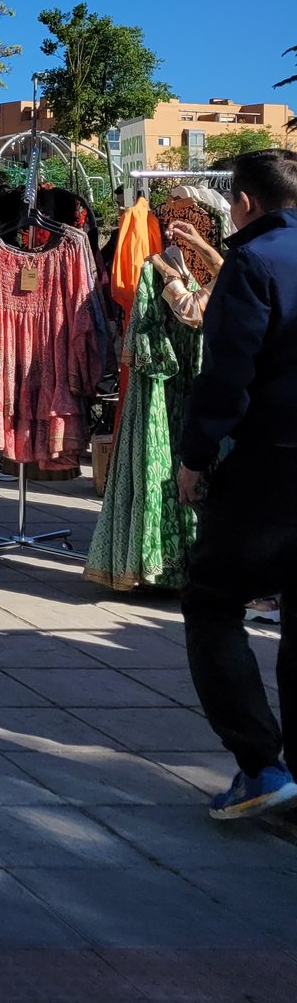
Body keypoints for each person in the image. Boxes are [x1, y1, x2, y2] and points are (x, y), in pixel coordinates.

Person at [173, 148, 297, 820]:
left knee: (213, 599)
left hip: (270, 463)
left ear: (243, 202)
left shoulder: (252, 263)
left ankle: (260, 763)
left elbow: (228, 375)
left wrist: (195, 456)